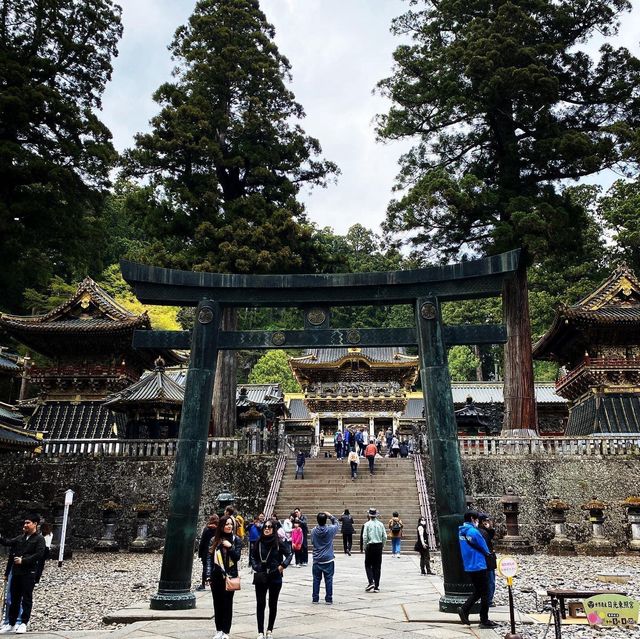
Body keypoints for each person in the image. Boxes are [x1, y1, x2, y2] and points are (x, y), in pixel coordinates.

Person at [0, 513, 46, 634]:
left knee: (26, 598)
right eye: (25, 523)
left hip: (29, 573)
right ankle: (11, 623)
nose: (25, 525)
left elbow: (39, 555)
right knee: (14, 599)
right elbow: (7, 542)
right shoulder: (21, 537)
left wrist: (24, 560)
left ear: (35, 524)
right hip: (16, 573)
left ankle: (24, 622)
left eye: (28, 523)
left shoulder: (39, 539)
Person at [250, 518, 293, 639]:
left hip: (275, 575)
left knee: (272, 604)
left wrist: (282, 566)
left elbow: (290, 553)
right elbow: (253, 556)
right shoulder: (259, 542)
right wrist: (256, 566)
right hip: (261, 575)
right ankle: (260, 631)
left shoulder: (278, 542)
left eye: (269, 527)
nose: (267, 529)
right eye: (265, 527)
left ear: (273, 529)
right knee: (260, 603)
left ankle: (269, 630)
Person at [457, 511, 497, 629]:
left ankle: (465, 609)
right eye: (477, 519)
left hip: (469, 564)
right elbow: (484, 547)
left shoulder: (461, 532)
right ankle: (484, 619)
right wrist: (489, 555)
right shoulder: (474, 532)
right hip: (479, 564)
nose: (478, 522)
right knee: (485, 592)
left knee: (479, 591)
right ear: (472, 518)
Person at [206, 515, 243, 639]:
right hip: (216, 575)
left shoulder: (236, 540)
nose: (229, 526)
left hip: (230, 575)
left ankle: (226, 631)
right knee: (217, 603)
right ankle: (219, 629)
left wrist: (230, 546)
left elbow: (237, 557)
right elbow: (209, 558)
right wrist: (208, 575)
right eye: (226, 524)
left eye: (231, 524)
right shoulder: (214, 540)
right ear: (221, 526)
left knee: (228, 603)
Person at [310, 511, 339, 604]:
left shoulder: (313, 530)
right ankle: (329, 598)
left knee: (316, 580)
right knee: (329, 579)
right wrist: (331, 515)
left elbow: (313, 542)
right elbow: (337, 524)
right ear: (326, 520)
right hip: (328, 559)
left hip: (317, 559)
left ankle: (315, 598)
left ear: (317, 520)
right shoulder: (330, 530)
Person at [362, 507, 386, 592]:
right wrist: (382, 545)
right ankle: (376, 586)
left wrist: (365, 547)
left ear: (369, 515)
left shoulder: (367, 524)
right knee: (377, 566)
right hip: (378, 545)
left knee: (368, 564)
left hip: (370, 545)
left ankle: (371, 581)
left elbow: (365, 537)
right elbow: (385, 536)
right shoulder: (381, 524)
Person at [478, 513, 497, 607]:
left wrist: (490, 529)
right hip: (488, 560)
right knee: (490, 581)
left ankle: (488, 600)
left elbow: (491, 536)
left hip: (488, 560)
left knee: (489, 581)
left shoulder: (484, 531)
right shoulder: (482, 533)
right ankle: (488, 601)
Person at [197, 514, 219, 590]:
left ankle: (203, 584)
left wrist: (200, 553)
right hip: (215, 550)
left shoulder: (207, 529)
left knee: (205, 567)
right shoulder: (218, 529)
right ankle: (213, 583)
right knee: (214, 566)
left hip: (206, 551)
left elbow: (202, 542)